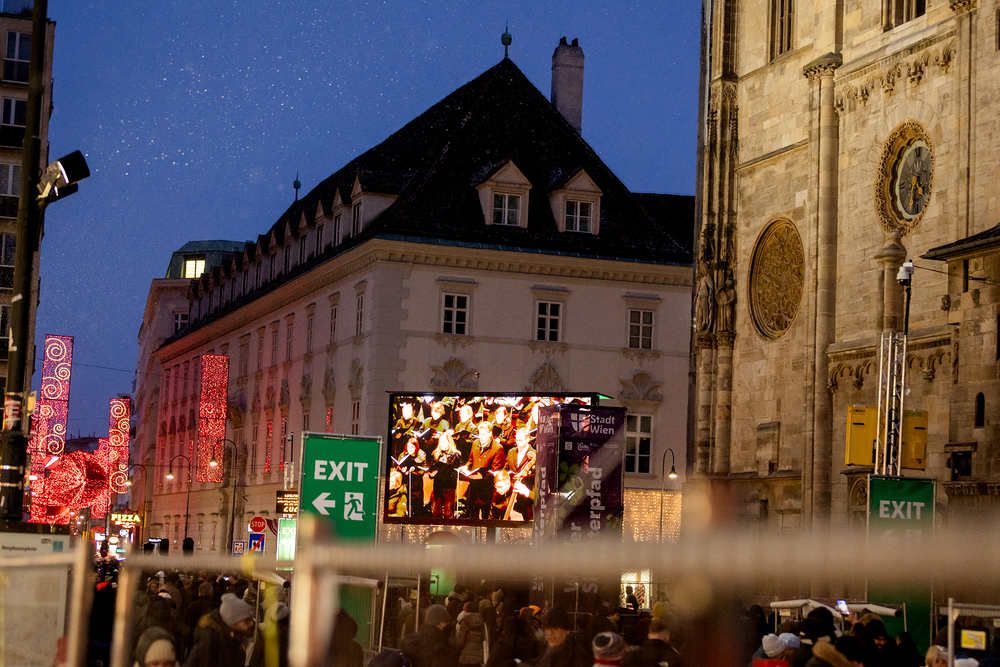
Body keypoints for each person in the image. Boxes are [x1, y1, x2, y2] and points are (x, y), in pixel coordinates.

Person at [184, 593, 256, 667]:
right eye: (246, 621)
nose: (251, 624)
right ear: (233, 621)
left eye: (251, 619)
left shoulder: (231, 637)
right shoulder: (211, 641)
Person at [463, 421, 505, 520]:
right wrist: (466, 466)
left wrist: (482, 476)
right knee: (473, 515)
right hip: (474, 485)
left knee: (485, 516)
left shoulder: (497, 448)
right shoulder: (475, 443)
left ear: (490, 434)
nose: (481, 437)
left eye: (484, 434)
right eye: (480, 434)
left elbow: (495, 469)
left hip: (486, 488)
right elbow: (471, 459)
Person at [429, 431, 463, 518]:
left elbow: (453, 468)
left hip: (449, 486)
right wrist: (431, 474)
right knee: (436, 511)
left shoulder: (455, 455)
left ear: (449, 442)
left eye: (444, 442)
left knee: (448, 512)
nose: (442, 444)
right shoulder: (436, 454)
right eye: (440, 442)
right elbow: (432, 468)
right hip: (437, 485)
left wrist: (441, 468)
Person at [456, 600, 487, 667]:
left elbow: (460, 642)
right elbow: (486, 639)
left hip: (466, 656)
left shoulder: (465, 622)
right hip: (479, 657)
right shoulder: (482, 622)